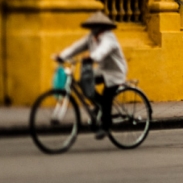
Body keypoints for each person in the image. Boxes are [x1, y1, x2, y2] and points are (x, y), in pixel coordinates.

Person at [54, 11, 128, 139]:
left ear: (103, 27)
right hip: (102, 70)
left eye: (96, 26)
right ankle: (99, 104)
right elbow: (76, 47)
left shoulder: (108, 38)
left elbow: (103, 50)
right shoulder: (91, 37)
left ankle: (106, 126)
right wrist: (62, 56)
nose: (94, 29)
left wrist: (91, 56)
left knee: (107, 96)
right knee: (84, 82)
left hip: (115, 72)